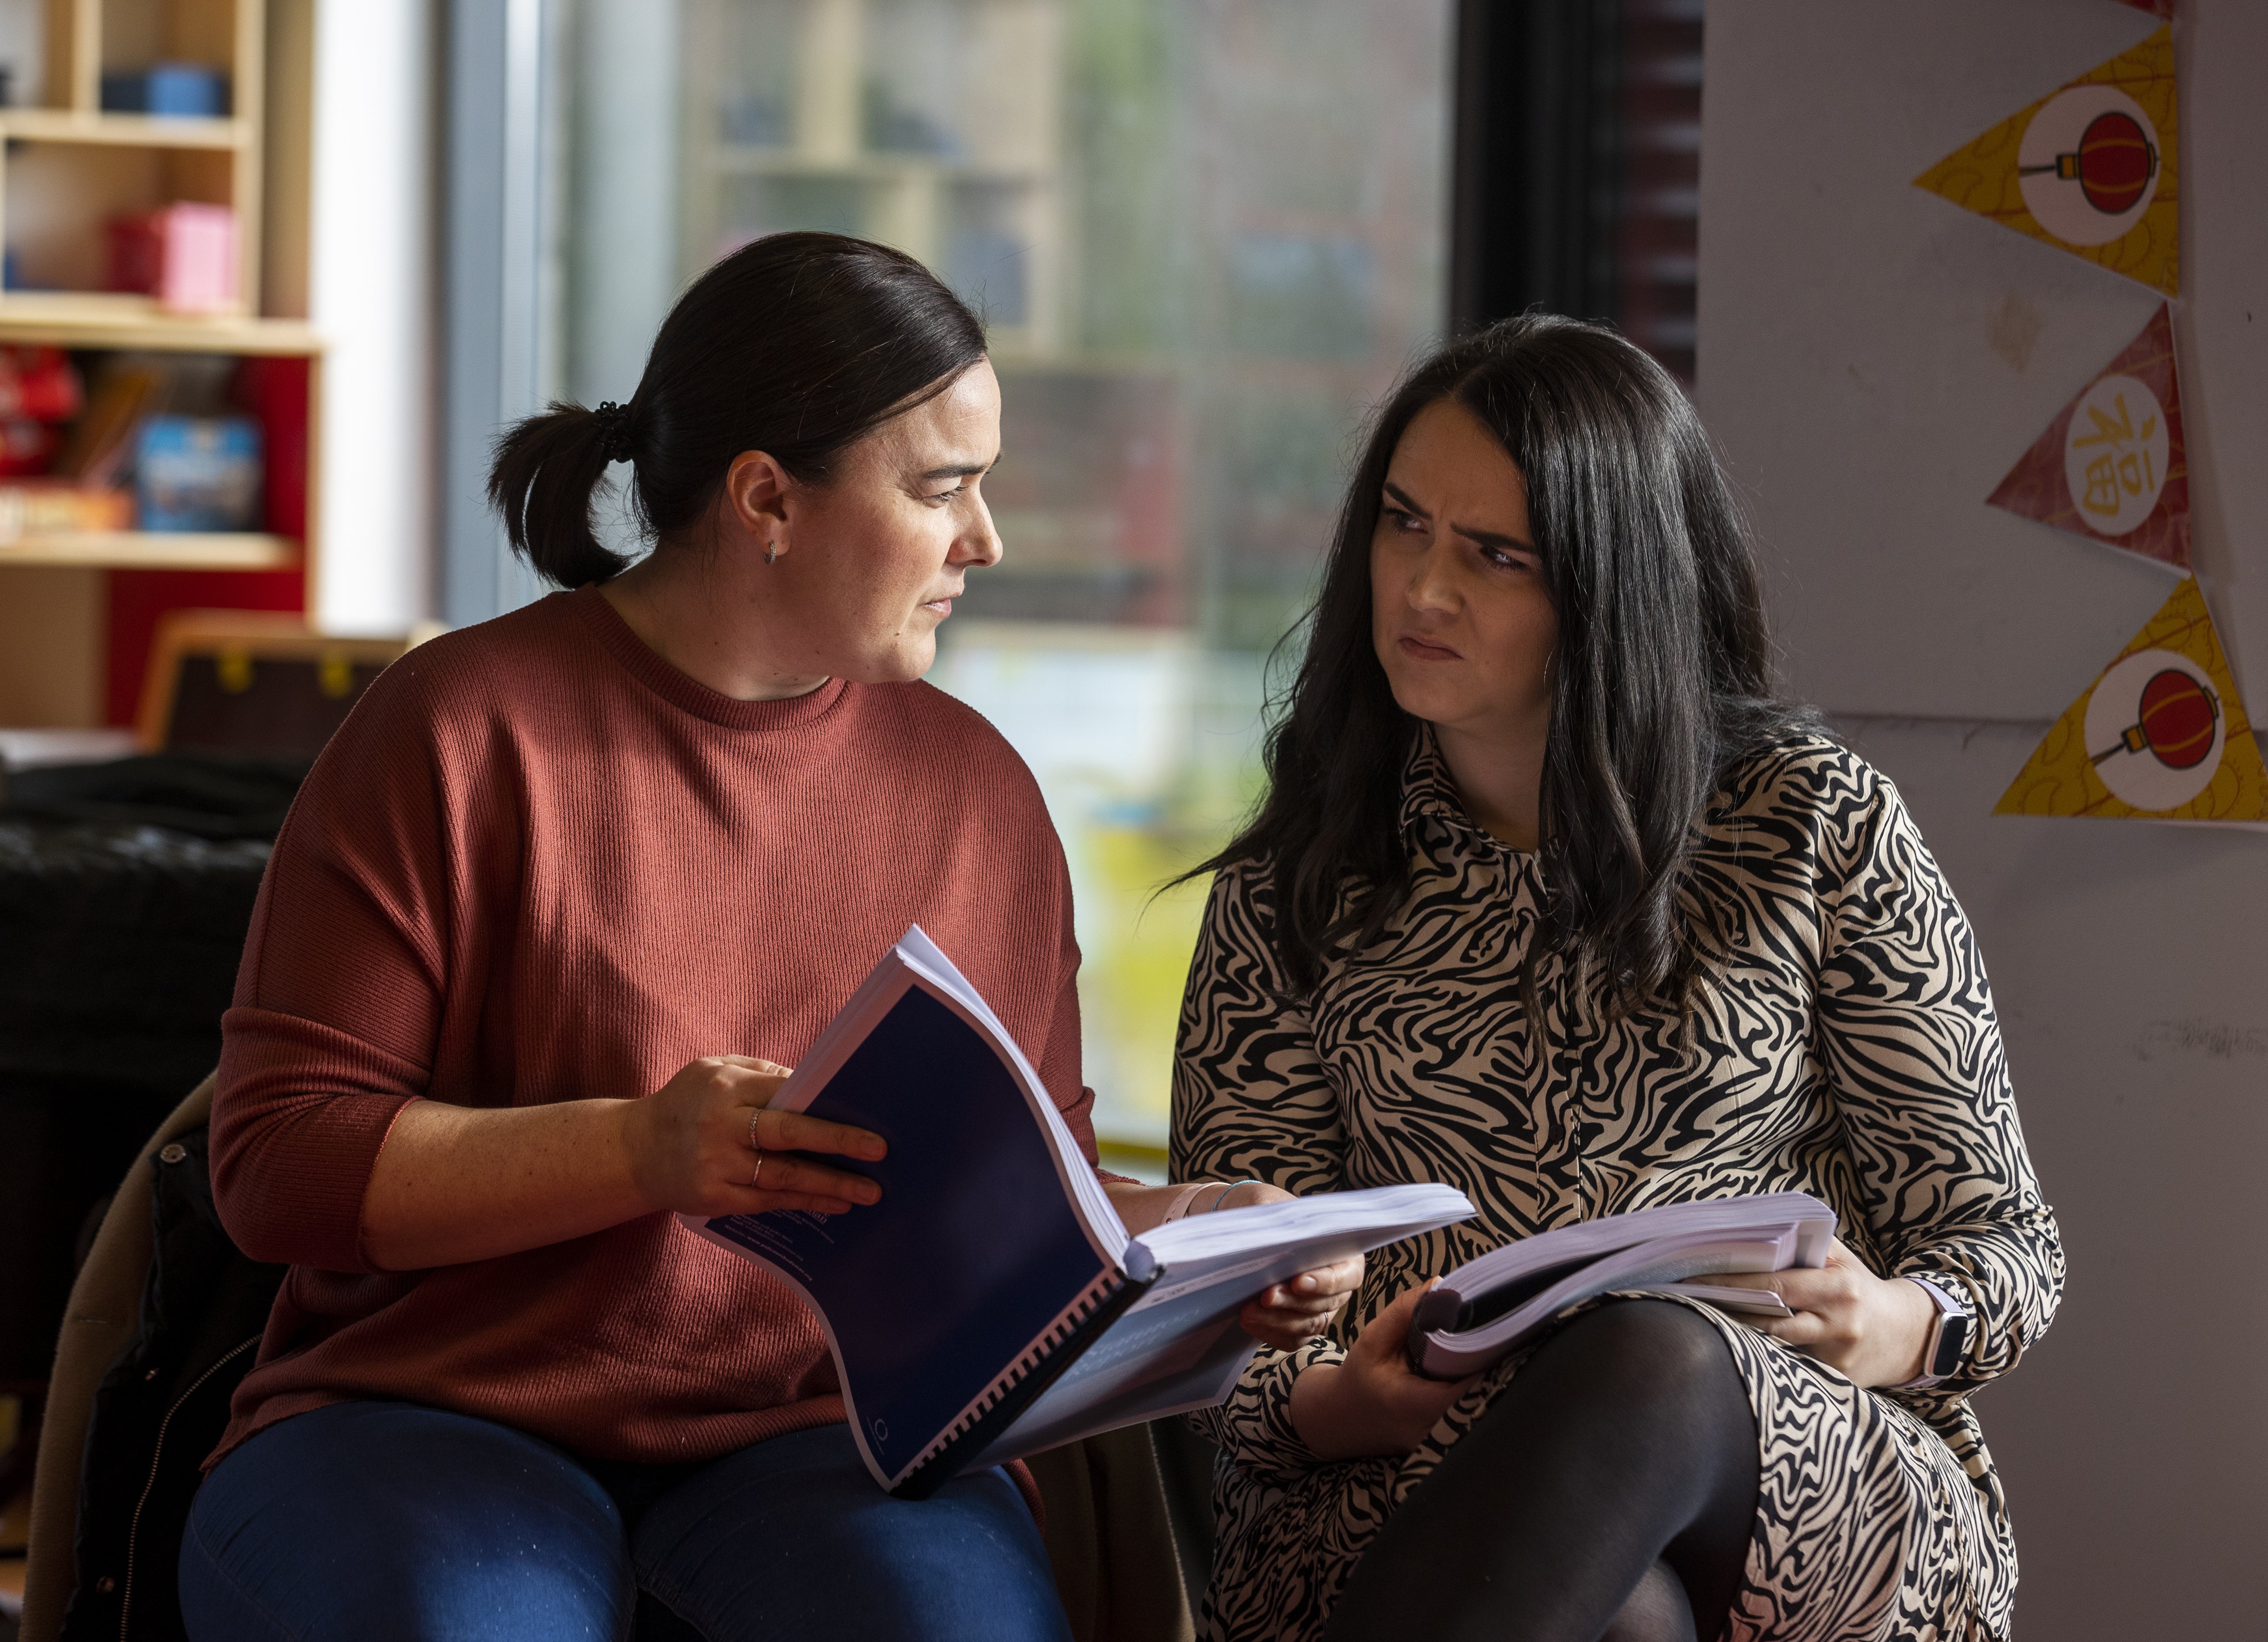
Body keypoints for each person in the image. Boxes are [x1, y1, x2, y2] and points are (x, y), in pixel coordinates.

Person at [183, 232, 1360, 1642]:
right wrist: (644, 1150)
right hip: (424, 1410)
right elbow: (279, 1163)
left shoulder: (978, 794)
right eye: (941, 488)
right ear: (765, 499)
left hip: (829, 1439)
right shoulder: (455, 731)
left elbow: (1018, 1204)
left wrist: (1200, 1243)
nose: (985, 539)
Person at [1168, 314, 2065, 1642]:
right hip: (1398, 1486)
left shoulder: (1808, 823)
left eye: (1492, 555)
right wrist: (1330, 1399)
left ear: (1608, 582)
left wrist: (1895, 1319)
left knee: (1645, 1351)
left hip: (1793, 1476)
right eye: (1403, 524)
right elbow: (1214, 1309)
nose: (1420, 589)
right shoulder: (1298, 879)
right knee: (1621, 1623)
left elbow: (2005, 1242)